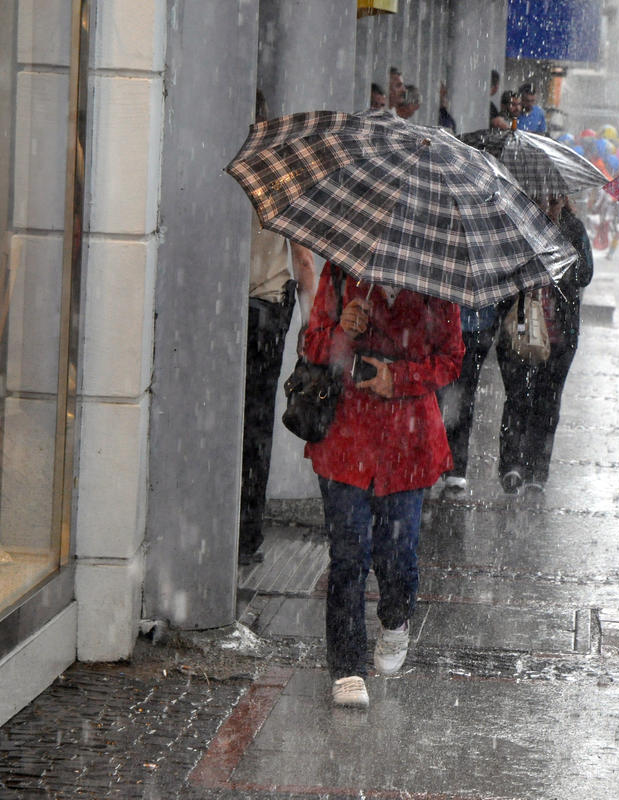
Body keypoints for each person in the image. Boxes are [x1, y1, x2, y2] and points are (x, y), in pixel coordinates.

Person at [301, 262, 464, 707]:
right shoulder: (342, 270)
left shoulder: (438, 279)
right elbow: (312, 343)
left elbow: (452, 360)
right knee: (349, 554)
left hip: (408, 443)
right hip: (346, 439)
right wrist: (342, 332)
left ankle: (396, 618)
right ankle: (347, 666)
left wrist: (400, 378)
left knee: (398, 552)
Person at [239, 90, 317, 567]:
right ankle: (247, 534)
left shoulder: (220, 169)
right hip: (267, 312)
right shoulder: (280, 173)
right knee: (256, 422)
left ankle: (215, 520)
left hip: (220, 313)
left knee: (218, 420)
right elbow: (303, 259)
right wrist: (311, 323)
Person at [496, 195, 593, 494]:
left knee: (547, 403)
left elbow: (585, 274)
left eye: (554, 201)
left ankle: (537, 468)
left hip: (559, 332)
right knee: (517, 398)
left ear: (563, 201)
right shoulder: (516, 224)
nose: (547, 207)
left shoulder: (573, 229)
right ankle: (511, 465)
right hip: (521, 324)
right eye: (541, 199)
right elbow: (498, 272)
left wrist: (556, 263)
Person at [437, 301, 500, 498]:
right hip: (466, 324)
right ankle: (448, 463)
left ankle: (452, 463)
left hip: (470, 326)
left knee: (459, 396)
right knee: (453, 396)